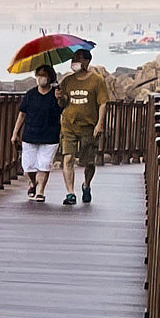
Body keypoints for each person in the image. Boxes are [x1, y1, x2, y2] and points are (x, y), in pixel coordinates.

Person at [57, 47, 111, 205]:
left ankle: (86, 185)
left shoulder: (97, 80)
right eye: (73, 59)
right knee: (67, 158)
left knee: (89, 162)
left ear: (87, 61)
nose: (74, 62)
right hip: (69, 126)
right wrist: (59, 98)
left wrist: (100, 124)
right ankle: (70, 193)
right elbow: (62, 104)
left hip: (89, 126)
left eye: (78, 59)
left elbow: (102, 103)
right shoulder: (67, 81)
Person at [11, 64, 62, 202]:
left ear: (50, 77)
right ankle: (33, 183)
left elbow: (62, 109)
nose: (40, 78)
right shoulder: (30, 94)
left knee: (44, 165)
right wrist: (15, 133)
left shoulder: (56, 94)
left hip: (50, 135)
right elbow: (22, 114)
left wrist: (59, 99)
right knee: (28, 166)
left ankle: (40, 191)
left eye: (44, 76)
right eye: (38, 75)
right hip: (30, 134)